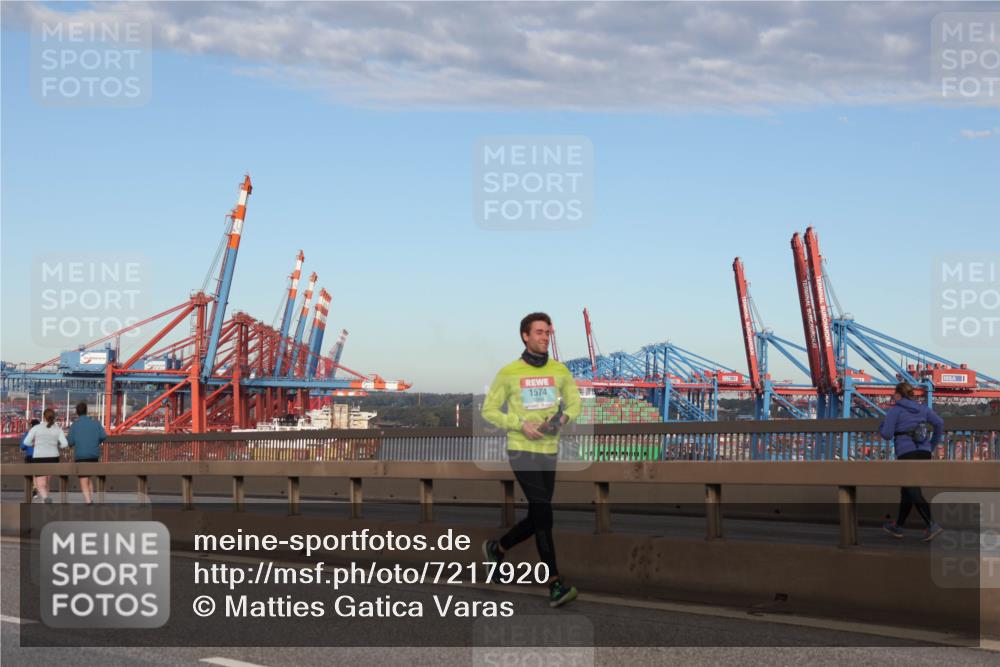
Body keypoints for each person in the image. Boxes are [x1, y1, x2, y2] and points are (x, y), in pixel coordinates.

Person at [481, 312, 582, 608]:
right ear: (525, 336)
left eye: (547, 332)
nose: (544, 337)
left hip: (549, 450)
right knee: (544, 514)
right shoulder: (509, 372)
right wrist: (519, 424)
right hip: (521, 450)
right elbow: (489, 410)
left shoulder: (559, 370)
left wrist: (561, 418)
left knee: (540, 514)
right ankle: (555, 585)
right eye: (539, 332)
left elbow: (574, 403)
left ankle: (498, 549)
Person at [879, 382, 945, 541]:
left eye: (894, 394)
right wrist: (931, 446)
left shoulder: (895, 410)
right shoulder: (923, 409)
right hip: (924, 453)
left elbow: (887, 434)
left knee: (912, 490)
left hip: (906, 453)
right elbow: (940, 423)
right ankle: (898, 526)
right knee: (907, 490)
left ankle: (932, 524)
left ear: (898, 394)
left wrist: (881, 426)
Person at [23, 408, 68, 503]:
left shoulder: (36, 428)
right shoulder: (57, 429)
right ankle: (46, 503)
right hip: (54, 458)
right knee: (47, 482)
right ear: (54, 417)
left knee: (40, 484)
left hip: (39, 457)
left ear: (43, 417)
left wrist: (34, 444)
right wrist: (57, 446)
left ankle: (45, 499)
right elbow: (65, 444)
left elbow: (26, 442)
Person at [68, 402, 107, 504]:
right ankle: (92, 498)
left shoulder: (74, 425)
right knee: (88, 477)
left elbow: (70, 442)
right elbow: (103, 436)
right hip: (94, 455)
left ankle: (89, 501)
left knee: (83, 479)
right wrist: (96, 442)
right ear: (86, 411)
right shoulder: (96, 423)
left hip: (80, 455)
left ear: (77, 412)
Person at [20, 419, 41, 499]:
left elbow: (22, 446)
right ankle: (37, 489)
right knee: (37, 474)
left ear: (31, 426)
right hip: (40, 457)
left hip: (29, 456)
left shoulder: (27, 433)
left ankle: (31, 491)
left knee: (29, 475)